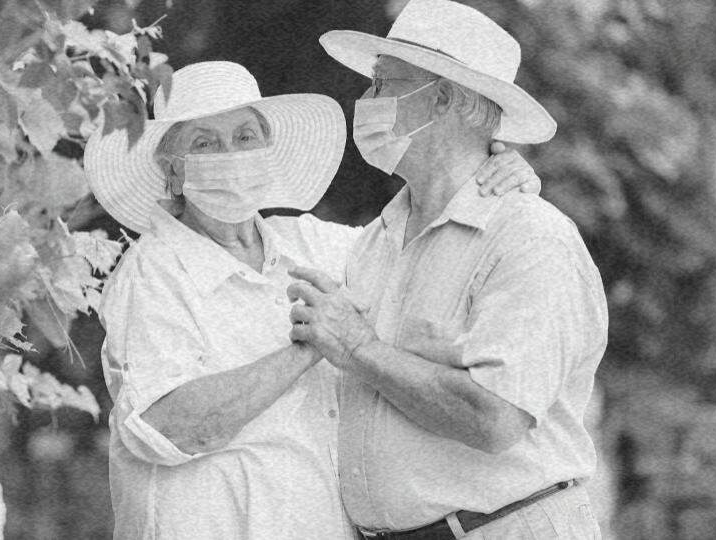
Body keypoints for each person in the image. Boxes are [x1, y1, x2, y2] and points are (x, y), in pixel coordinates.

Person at [85, 61, 541, 539]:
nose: (230, 153)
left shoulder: (313, 244)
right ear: (171, 170)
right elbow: (173, 426)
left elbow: (425, 253)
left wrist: (488, 180)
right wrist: (310, 348)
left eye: (245, 137)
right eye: (204, 143)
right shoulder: (151, 272)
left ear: (267, 150)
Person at [287, 1, 608, 539]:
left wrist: (359, 350)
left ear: (442, 100)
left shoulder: (531, 237)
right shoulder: (374, 241)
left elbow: (494, 416)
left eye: (384, 83)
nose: (365, 102)